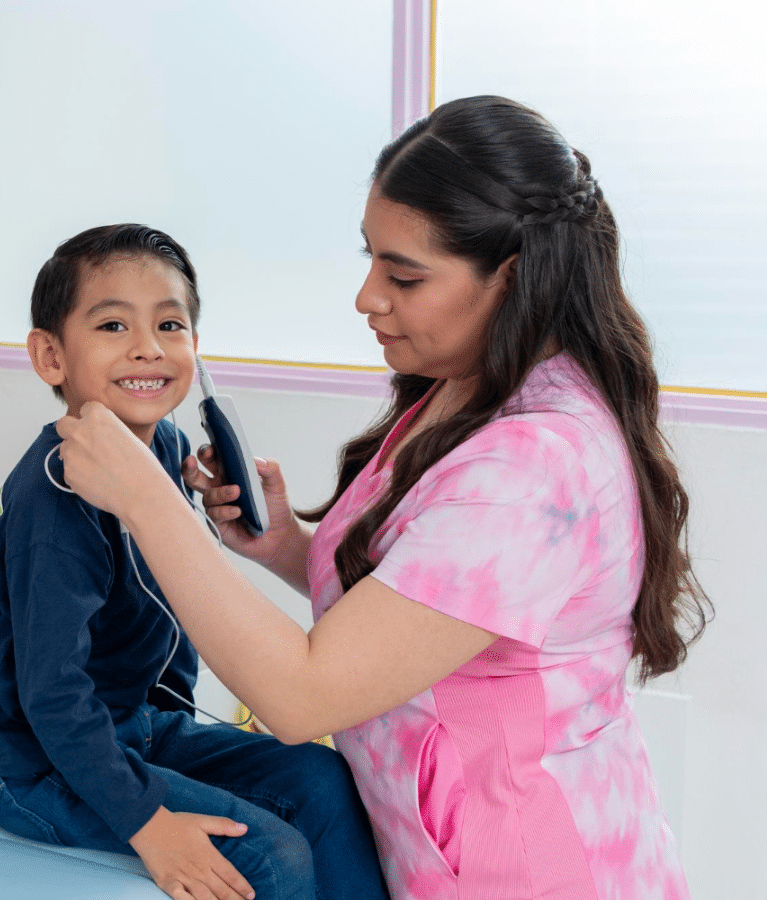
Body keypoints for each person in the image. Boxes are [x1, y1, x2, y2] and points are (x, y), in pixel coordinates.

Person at [53, 98, 711, 900]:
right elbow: (429, 603)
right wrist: (286, 547)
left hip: (527, 874)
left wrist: (146, 501)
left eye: (403, 275)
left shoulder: (536, 465)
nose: (368, 297)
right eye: (371, 260)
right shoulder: (463, 387)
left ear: (513, 275)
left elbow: (302, 696)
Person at [0, 223, 389, 900]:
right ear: (50, 355)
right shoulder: (53, 500)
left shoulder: (164, 449)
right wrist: (148, 823)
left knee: (322, 780)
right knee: (270, 855)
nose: (148, 349)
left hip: (141, 727)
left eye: (170, 324)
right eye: (111, 326)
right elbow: (53, 699)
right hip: (40, 764)